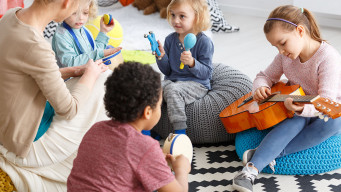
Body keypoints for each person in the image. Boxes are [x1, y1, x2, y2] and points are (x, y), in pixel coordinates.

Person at [0, 0, 111, 191]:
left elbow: (26, 72)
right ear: (67, 3)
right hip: (25, 144)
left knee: (91, 78)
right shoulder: (37, 46)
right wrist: (91, 74)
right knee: (105, 80)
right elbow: (69, 109)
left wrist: (73, 71)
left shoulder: (11, 16)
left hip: (7, 127)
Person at [232, 5, 341, 192]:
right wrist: (261, 88)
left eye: (282, 43)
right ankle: (249, 171)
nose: (280, 51)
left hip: (324, 110)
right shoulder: (285, 58)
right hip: (295, 110)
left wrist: (303, 109)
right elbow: (263, 76)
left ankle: (261, 154)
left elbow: (326, 100)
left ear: (300, 30)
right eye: (275, 46)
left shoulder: (328, 58)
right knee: (295, 123)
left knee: (333, 124)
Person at [67, 62, 191, 192]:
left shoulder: (95, 130)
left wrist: (153, 160)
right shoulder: (145, 146)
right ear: (147, 112)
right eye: (159, 106)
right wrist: (181, 169)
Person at [151, 0, 214, 136]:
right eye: (173, 15)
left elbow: (207, 73)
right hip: (173, 81)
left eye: (182, 16)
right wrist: (161, 57)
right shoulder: (170, 40)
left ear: (197, 17)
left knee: (173, 91)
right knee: (151, 89)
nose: (176, 20)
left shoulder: (204, 42)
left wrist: (192, 63)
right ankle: (149, 129)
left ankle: (180, 133)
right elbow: (167, 71)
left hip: (197, 84)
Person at [52, 0, 121, 68]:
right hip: (70, 78)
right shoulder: (61, 35)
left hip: (87, 72)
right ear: (62, 11)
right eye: (74, 13)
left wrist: (103, 31)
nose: (81, 18)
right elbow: (70, 64)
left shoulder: (83, 29)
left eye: (85, 13)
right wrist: (101, 53)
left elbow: (94, 52)